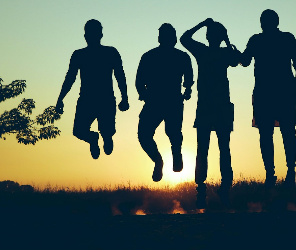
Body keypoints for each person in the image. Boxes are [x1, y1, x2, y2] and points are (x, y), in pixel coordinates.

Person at [181, 18, 241, 209]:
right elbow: (236, 60)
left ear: (207, 36)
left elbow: (184, 38)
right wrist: (225, 39)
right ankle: (223, 191)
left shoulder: (203, 51)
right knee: (223, 149)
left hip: (209, 107)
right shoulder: (223, 53)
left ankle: (203, 192)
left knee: (204, 150)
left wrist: (201, 24)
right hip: (219, 107)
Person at [240, 9, 296, 187]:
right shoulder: (287, 38)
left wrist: (234, 51)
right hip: (282, 91)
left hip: (266, 92)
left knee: (268, 134)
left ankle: (273, 174)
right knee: (286, 133)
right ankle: (288, 172)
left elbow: (244, 61)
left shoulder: (256, 40)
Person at [55, 19, 129, 160]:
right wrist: (60, 98)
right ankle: (93, 138)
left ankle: (106, 137)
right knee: (78, 131)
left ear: (100, 35)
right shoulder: (79, 55)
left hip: (104, 100)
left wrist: (124, 97)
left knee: (106, 131)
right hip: (88, 100)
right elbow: (70, 78)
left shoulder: (110, 52)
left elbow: (120, 75)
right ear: (85, 36)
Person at [136, 23, 194, 182]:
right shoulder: (152, 56)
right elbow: (139, 81)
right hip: (161, 101)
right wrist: (144, 95)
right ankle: (161, 159)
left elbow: (189, 78)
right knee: (149, 134)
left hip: (166, 101)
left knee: (169, 132)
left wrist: (187, 89)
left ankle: (172, 154)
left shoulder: (178, 56)